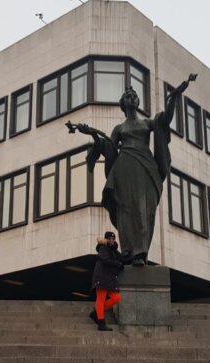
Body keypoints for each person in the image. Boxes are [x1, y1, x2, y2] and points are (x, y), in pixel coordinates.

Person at [67, 74, 196, 266]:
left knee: (146, 209)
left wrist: (175, 96)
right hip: (125, 168)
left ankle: (141, 253)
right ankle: (129, 252)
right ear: (123, 103)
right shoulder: (119, 128)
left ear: (138, 101)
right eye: (128, 96)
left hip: (146, 167)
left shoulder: (147, 123)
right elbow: (110, 147)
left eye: (134, 96)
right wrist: (93, 135)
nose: (132, 98)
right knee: (126, 209)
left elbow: (165, 120)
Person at [89, 231, 123, 331]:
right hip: (101, 276)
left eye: (113, 238)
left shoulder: (114, 250)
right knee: (101, 299)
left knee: (116, 298)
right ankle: (101, 324)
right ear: (106, 239)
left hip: (110, 278)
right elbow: (106, 260)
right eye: (110, 238)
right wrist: (118, 264)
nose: (112, 240)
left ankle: (96, 313)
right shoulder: (103, 248)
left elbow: (121, 258)